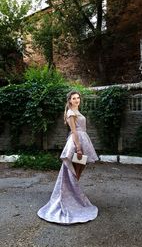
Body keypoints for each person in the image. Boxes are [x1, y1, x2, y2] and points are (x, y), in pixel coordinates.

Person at [37, 90, 99, 224]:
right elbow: (74, 131)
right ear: (69, 100)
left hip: (83, 141)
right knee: (74, 171)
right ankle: (69, 197)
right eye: (74, 98)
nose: (77, 100)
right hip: (77, 144)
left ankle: (73, 195)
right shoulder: (71, 113)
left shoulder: (77, 111)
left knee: (78, 171)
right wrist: (78, 147)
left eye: (78, 98)